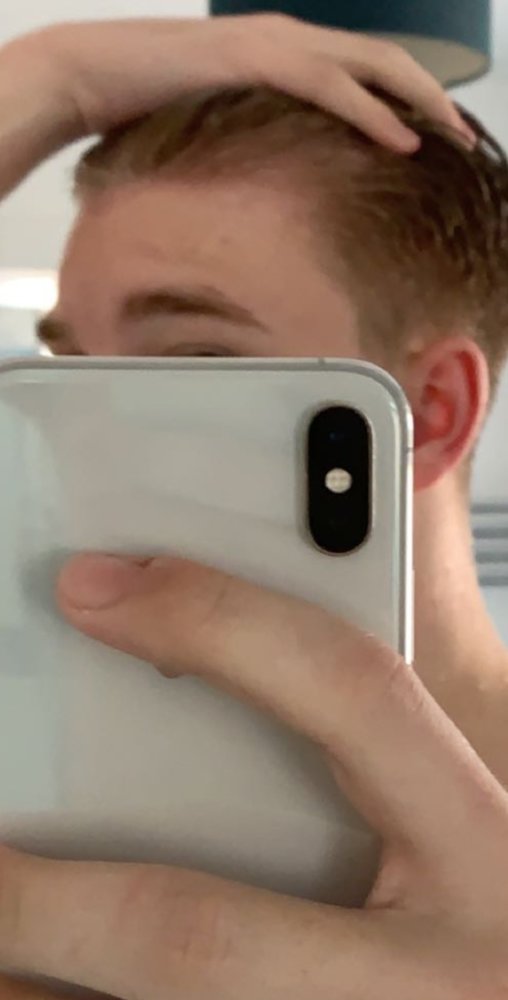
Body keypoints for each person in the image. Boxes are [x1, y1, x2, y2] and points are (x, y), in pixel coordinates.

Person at [0, 15, 508, 999]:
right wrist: (50, 79)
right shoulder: (43, 790)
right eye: (69, 370)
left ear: (429, 411)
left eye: (196, 362)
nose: (81, 444)